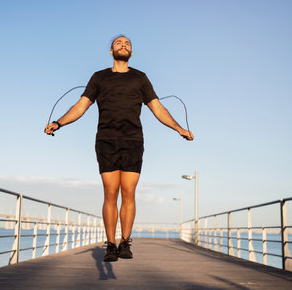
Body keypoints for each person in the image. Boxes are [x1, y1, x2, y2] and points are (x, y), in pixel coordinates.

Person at [45, 35, 193, 262]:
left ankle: (125, 242)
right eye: (118, 43)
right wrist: (58, 123)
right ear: (112, 51)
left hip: (133, 140)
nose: (123, 45)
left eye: (127, 44)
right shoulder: (99, 77)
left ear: (131, 53)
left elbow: (157, 108)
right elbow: (81, 106)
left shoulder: (140, 78)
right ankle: (111, 244)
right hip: (106, 140)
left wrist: (178, 128)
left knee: (129, 192)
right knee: (110, 192)